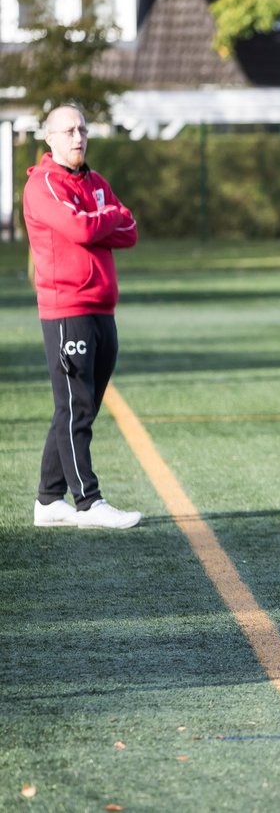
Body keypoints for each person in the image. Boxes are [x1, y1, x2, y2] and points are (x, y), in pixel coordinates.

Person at [24, 104, 143, 529]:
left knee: (80, 405)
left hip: (102, 308)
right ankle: (88, 502)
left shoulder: (95, 182)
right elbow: (83, 230)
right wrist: (107, 218)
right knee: (75, 404)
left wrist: (103, 219)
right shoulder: (43, 185)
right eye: (68, 130)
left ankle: (47, 500)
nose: (78, 137)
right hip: (67, 311)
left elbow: (130, 231)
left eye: (83, 129)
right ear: (50, 138)